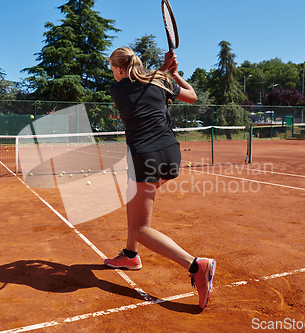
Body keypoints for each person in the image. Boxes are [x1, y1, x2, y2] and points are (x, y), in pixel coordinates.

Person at [104, 47, 216, 309]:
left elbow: (139, 86)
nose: (112, 73)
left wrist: (166, 71)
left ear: (120, 69)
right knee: (134, 200)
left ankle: (196, 265)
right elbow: (191, 96)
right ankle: (131, 255)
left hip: (146, 157)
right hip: (171, 155)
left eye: (112, 68)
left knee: (140, 227)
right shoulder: (159, 81)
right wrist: (173, 74)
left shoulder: (117, 89)